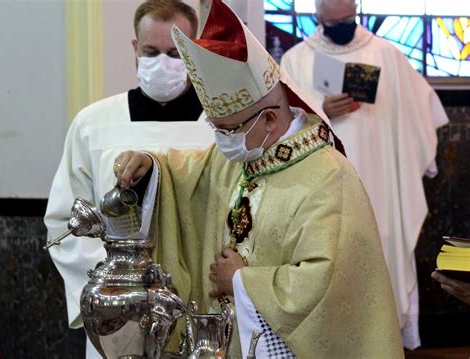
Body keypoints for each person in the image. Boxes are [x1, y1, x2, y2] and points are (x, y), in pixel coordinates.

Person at [113, 1, 405, 357]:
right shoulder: (245, 152)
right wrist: (150, 165)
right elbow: (190, 175)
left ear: (269, 120)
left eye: (230, 128)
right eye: (216, 129)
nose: (223, 140)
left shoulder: (328, 178)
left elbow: (328, 288)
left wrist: (241, 280)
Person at [44, 1, 213, 358]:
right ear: (135, 49)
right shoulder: (94, 124)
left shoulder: (220, 127)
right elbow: (65, 221)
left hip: (202, 307)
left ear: (194, 51)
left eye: (175, 52)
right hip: (118, 321)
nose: (162, 63)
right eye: (151, 51)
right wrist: (114, 292)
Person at [280, 0, 449, 349]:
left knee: (380, 254)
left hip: (379, 184)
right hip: (319, 188)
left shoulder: (386, 54)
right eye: (334, 20)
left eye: (348, 19)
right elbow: (283, 125)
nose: (342, 25)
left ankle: (381, 343)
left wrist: (424, 159)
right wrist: (321, 108)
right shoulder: (296, 59)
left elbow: (419, 106)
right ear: (318, 17)